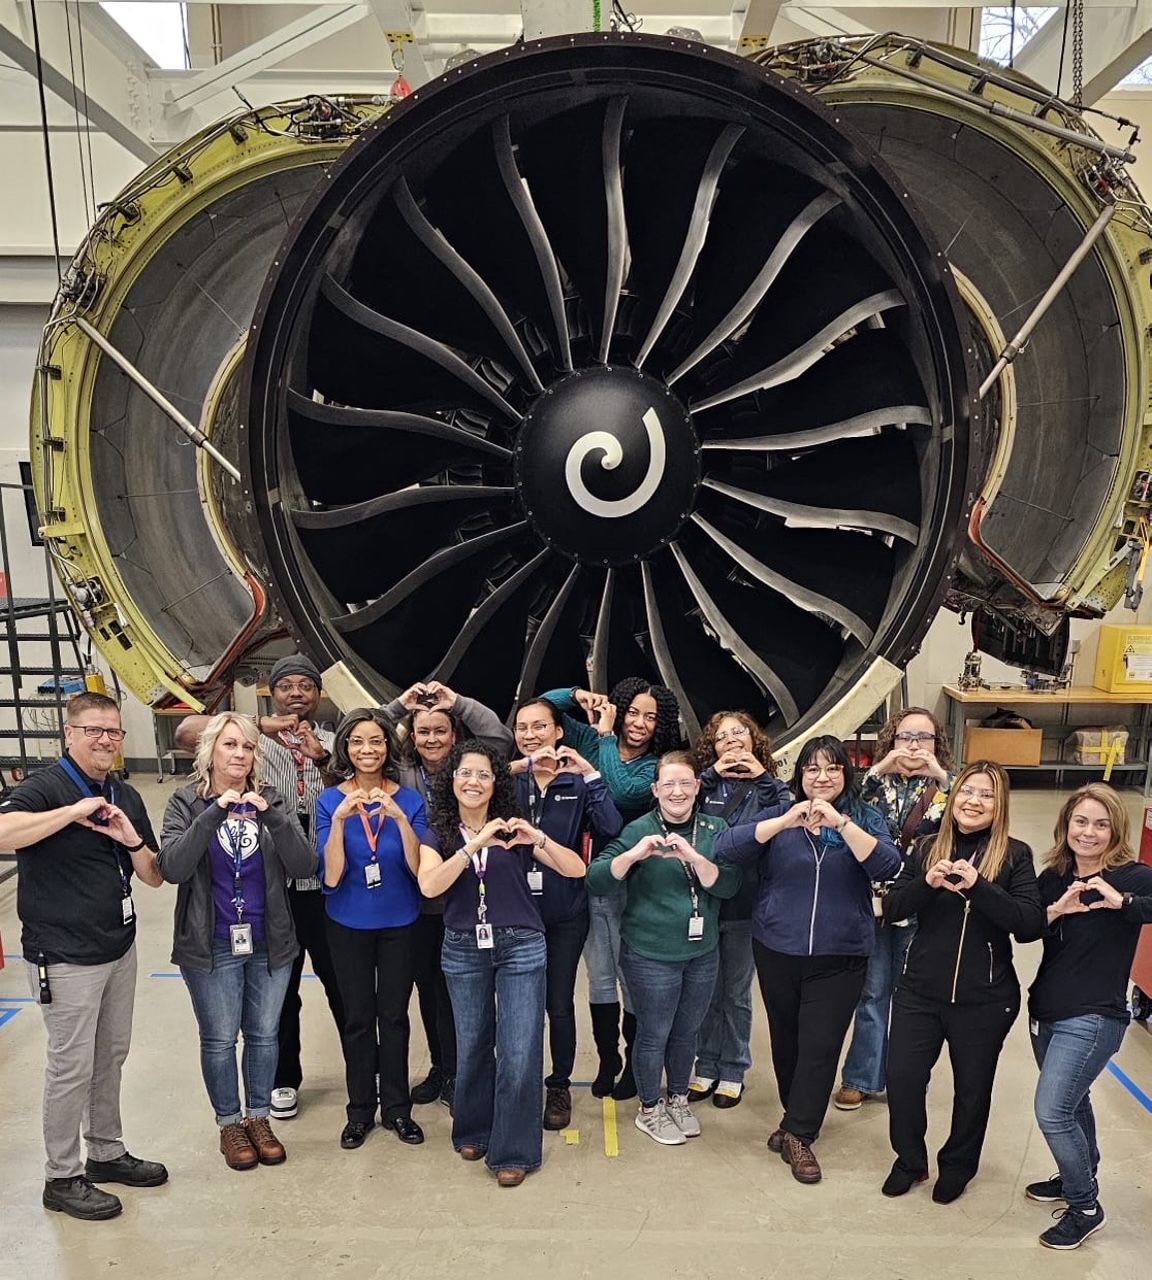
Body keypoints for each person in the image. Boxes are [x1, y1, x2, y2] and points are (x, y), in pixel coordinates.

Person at [0, 692, 166, 1221]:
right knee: (70, 1066)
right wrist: (71, 812)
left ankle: (106, 1151)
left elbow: (153, 874)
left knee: (110, 1055)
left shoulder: (122, 791)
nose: (105, 740)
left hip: (118, 946)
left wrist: (132, 837)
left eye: (114, 733)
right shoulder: (44, 787)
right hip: (65, 953)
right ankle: (61, 1176)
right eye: (94, 730)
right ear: (69, 734)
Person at [715, 735, 900, 1184]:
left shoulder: (863, 817)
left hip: (842, 953)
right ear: (799, 776)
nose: (822, 777)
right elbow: (727, 847)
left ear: (845, 774)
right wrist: (780, 824)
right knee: (787, 1042)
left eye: (832, 768)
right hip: (778, 947)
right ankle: (793, 1116)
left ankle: (800, 1133)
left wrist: (842, 825)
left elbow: (889, 866)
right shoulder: (780, 813)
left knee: (820, 1046)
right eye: (812, 769)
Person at [174, 653, 344, 1124]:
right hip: (271, 888)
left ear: (317, 694)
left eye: (305, 686)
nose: (296, 693)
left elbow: (354, 783)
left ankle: (362, 1073)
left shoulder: (331, 740)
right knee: (281, 994)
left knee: (342, 984)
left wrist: (323, 758)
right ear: (273, 693)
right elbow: (187, 731)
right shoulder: (253, 742)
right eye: (286, 685)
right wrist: (259, 726)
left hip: (325, 883)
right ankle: (283, 1080)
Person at [417, 740, 586, 1187]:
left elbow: (576, 870)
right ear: (451, 780)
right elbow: (431, 886)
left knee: (519, 1048)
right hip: (463, 945)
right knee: (472, 1043)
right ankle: (473, 1128)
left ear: (496, 784)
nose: (474, 782)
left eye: (484, 775)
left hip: (521, 945)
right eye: (465, 773)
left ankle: (514, 1149)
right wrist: (474, 847)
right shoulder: (438, 833)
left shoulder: (516, 830)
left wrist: (539, 838)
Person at [158, 713, 317, 1172]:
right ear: (210, 752)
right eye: (230, 745)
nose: (240, 755)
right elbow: (173, 867)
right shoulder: (185, 802)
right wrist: (214, 812)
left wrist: (273, 817)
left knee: (265, 1035)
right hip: (211, 943)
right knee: (221, 1038)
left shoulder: (271, 799)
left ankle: (259, 1118)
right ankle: (230, 1122)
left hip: (271, 941)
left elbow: (304, 866)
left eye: (248, 747)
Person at [881, 760, 1044, 1203]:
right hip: (919, 992)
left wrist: (979, 887)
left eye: (986, 795)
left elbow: (1029, 924)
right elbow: (893, 908)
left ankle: (958, 1166)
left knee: (972, 1090)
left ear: (1000, 805)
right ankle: (910, 1161)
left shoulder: (1014, 855)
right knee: (903, 1080)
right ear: (953, 798)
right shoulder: (926, 847)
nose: (974, 801)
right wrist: (928, 884)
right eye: (968, 791)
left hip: (985, 999)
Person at [587, 752, 740, 1145]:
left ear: (697, 787)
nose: (677, 791)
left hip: (702, 951)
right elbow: (598, 879)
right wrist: (636, 853)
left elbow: (727, 886)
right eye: (668, 784)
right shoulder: (639, 828)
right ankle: (650, 1108)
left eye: (685, 783)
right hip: (651, 955)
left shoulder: (714, 827)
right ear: (655, 790)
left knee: (686, 1032)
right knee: (654, 1033)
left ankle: (678, 1099)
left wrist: (693, 857)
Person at [1025, 783, 1152, 1250]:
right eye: (1081, 821)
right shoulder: (1053, 876)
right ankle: (1078, 1171)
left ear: (1115, 830)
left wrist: (1122, 902)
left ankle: (1084, 1205)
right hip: (1046, 1009)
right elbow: (1027, 926)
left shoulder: (1133, 877)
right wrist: (1058, 909)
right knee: (1074, 1103)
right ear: (1067, 825)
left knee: (1051, 1110)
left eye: (1101, 824)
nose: (1089, 832)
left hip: (1095, 1015)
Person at [541, 679, 682, 1100]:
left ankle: (635, 1062)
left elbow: (618, 788)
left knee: (631, 977)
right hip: (593, 879)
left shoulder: (651, 765)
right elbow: (542, 708)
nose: (639, 723)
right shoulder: (586, 736)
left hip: (636, 883)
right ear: (620, 709)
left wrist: (603, 733)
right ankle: (609, 1060)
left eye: (651, 716)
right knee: (601, 977)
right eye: (633, 712)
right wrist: (575, 695)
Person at [384, 680, 514, 1112]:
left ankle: (466, 1074)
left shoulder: (470, 770)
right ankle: (443, 1067)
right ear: (411, 735)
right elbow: (360, 732)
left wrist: (457, 701)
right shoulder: (401, 770)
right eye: (423, 731)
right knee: (431, 990)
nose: (432, 739)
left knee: (467, 993)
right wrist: (399, 706)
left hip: (469, 899)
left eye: (440, 730)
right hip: (421, 901)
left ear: (454, 735)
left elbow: (499, 737)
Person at [314, 709, 427, 1150]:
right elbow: (332, 875)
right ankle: (360, 1109)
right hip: (347, 922)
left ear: (388, 748)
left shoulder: (411, 800)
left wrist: (399, 819)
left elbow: (418, 869)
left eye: (376, 741)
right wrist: (340, 821)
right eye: (358, 742)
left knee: (394, 1018)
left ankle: (397, 1110)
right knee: (358, 1019)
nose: (367, 750)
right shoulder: (328, 802)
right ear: (346, 747)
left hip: (401, 920)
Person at [509, 698, 623, 1130]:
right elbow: (468, 793)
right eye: (522, 728)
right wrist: (518, 768)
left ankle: (558, 1086)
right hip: (516, 913)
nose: (531, 735)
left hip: (565, 911)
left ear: (559, 732)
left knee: (558, 1003)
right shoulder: (512, 784)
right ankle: (518, 1082)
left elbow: (611, 827)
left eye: (540, 726)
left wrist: (591, 775)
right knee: (519, 1005)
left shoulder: (577, 783)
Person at [835, 707, 954, 1111]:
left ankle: (908, 1077)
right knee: (871, 992)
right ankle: (861, 1076)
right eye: (906, 737)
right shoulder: (873, 784)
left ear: (938, 743)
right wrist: (882, 764)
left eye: (924, 738)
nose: (915, 746)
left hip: (922, 901)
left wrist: (939, 774)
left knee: (913, 996)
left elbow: (977, 809)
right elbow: (844, 803)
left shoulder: (947, 786)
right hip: (873, 902)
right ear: (891, 738)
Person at [687, 712, 789, 1109]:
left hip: (747, 905)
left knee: (736, 993)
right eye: (721, 737)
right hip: (706, 902)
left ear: (754, 739)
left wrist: (761, 774)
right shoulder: (704, 785)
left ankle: (733, 1070)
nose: (731, 741)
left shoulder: (768, 788)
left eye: (738, 733)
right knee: (706, 992)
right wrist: (712, 772)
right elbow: (681, 799)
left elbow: (786, 808)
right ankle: (705, 1065)